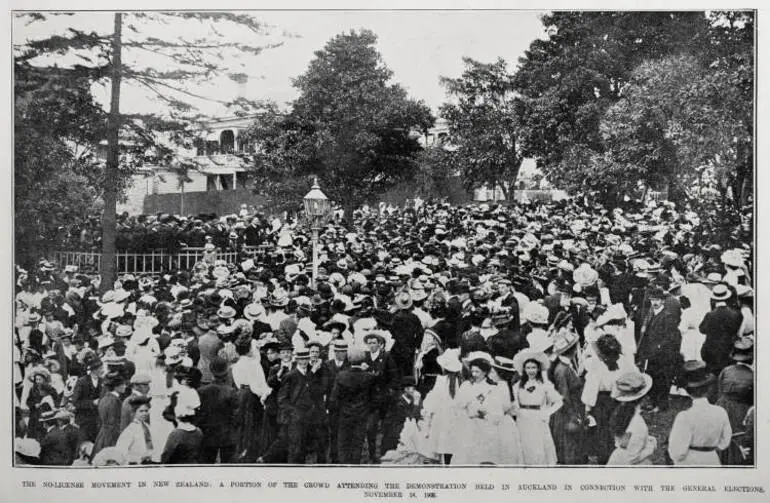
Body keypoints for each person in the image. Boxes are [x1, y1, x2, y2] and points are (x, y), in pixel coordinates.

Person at [581, 333, 634, 464]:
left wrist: (587, 408)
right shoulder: (624, 361)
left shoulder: (598, 364)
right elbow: (633, 378)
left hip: (603, 402)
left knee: (604, 431)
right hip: (620, 399)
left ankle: (606, 459)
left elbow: (591, 388)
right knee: (619, 428)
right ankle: (619, 456)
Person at [667, 360, 732, 465]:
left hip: (689, 462)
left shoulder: (684, 417)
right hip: (712, 460)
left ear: (687, 391)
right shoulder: (721, 412)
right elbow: (725, 442)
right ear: (708, 389)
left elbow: (676, 452)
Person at [451, 356, 511, 465]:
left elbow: (498, 409)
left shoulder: (493, 388)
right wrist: (469, 415)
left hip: (487, 426)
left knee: (486, 457)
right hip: (470, 425)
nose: (474, 374)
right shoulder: (466, 386)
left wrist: (486, 414)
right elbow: (457, 406)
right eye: (472, 371)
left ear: (485, 372)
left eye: (477, 372)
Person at [511, 349, 561, 466]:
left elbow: (558, 402)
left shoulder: (545, 385)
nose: (531, 371)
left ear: (538, 368)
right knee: (524, 445)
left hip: (538, 419)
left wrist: (547, 413)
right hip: (523, 419)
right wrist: (516, 410)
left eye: (533, 367)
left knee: (538, 446)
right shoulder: (518, 385)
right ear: (524, 369)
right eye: (528, 368)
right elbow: (514, 402)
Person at [636, 287, 681, 412]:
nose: (655, 302)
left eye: (657, 300)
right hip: (651, 353)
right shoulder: (651, 314)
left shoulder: (667, 316)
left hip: (662, 354)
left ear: (663, 301)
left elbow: (671, 337)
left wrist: (659, 347)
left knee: (662, 379)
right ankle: (654, 402)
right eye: (652, 300)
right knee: (653, 376)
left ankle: (661, 404)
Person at [548, 330, 587, 465]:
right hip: (566, 413)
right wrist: (573, 415)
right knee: (568, 445)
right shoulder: (562, 369)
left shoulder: (566, 366)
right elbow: (563, 395)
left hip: (572, 408)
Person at [363, 332, 400, 464]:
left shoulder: (386, 357)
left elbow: (394, 376)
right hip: (370, 399)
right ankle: (372, 454)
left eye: (374, 343)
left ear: (379, 344)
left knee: (386, 427)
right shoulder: (364, 357)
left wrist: (390, 391)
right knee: (370, 428)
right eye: (370, 343)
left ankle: (385, 452)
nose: (372, 345)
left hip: (384, 398)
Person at [422, 348, 464, 465]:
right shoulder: (461, 381)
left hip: (443, 417)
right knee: (455, 445)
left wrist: (427, 410)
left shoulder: (441, 381)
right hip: (457, 417)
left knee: (444, 444)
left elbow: (433, 400)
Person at [716, 338, 754, 465]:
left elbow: (720, 389)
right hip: (741, 410)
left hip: (722, 405)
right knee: (738, 436)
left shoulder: (726, 370)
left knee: (722, 434)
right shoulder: (753, 375)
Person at [606, 372, 657, 465]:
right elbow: (632, 458)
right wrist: (650, 448)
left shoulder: (620, 413)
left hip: (616, 459)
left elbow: (624, 442)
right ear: (643, 398)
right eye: (647, 395)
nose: (649, 398)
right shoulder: (638, 424)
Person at [197, 357, 238, 464]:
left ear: (211, 371)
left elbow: (199, 414)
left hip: (207, 434)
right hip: (227, 435)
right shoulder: (231, 391)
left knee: (206, 465)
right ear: (226, 372)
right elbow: (235, 415)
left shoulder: (202, 391)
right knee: (227, 467)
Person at [699, 284, 742, 376]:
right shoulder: (736, 314)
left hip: (711, 352)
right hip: (728, 351)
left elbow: (702, 329)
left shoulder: (710, 315)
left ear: (714, 299)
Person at [380, 376, 421, 456]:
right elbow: (410, 419)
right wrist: (416, 402)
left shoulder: (408, 400)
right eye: (412, 388)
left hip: (404, 430)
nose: (414, 391)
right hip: (396, 436)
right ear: (406, 389)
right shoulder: (399, 403)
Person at [324, 339, 350, 463]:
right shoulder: (328, 365)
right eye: (339, 351)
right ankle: (334, 458)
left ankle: (344, 457)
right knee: (333, 432)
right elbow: (325, 385)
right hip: (332, 404)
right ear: (334, 352)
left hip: (346, 404)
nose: (342, 354)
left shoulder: (350, 365)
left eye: (344, 351)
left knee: (345, 432)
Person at [70, 357, 104, 443]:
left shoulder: (102, 381)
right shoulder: (82, 381)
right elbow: (76, 402)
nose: (102, 370)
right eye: (101, 368)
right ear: (94, 369)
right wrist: (92, 403)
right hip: (84, 420)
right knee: (83, 444)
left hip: (97, 420)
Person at [93, 372, 126, 456]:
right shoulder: (114, 401)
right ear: (116, 387)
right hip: (111, 437)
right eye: (123, 384)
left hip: (103, 434)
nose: (125, 387)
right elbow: (114, 423)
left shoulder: (104, 398)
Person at [115, 395, 154, 464]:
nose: (144, 413)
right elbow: (120, 452)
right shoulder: (130, 430)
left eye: (146, 411)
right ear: (134, 412)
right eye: (141, 411)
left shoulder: (147, 426)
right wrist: (137, 459)